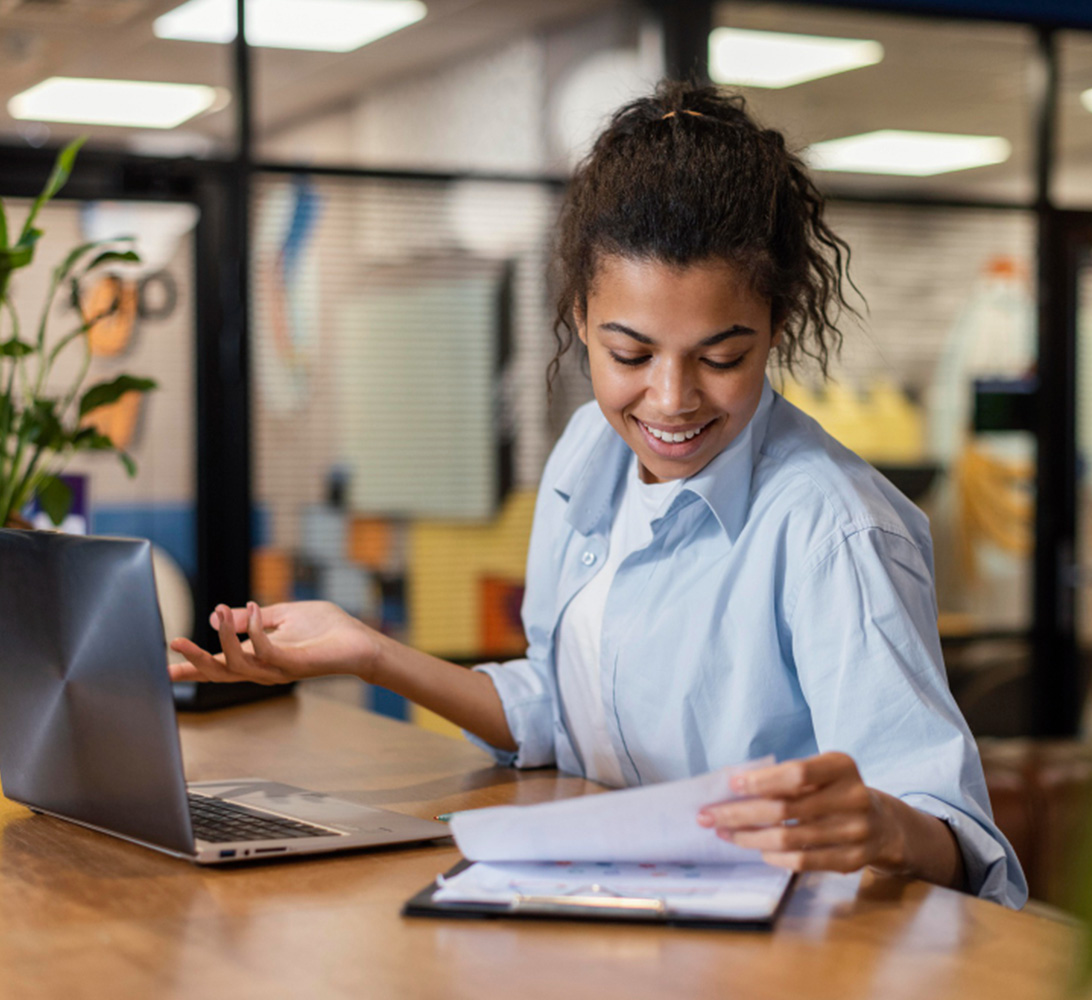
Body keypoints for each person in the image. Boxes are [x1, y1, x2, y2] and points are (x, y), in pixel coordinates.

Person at [170, 81, 1027, 909]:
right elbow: (558, 703)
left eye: (722, 357)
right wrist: (370, 653)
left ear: (776, 327)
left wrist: (882, 823)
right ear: (579, 316)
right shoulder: (589, 449)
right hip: (623, 911)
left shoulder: (834, 529)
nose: (670, 398)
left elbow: (956, 840)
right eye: (629, 353)